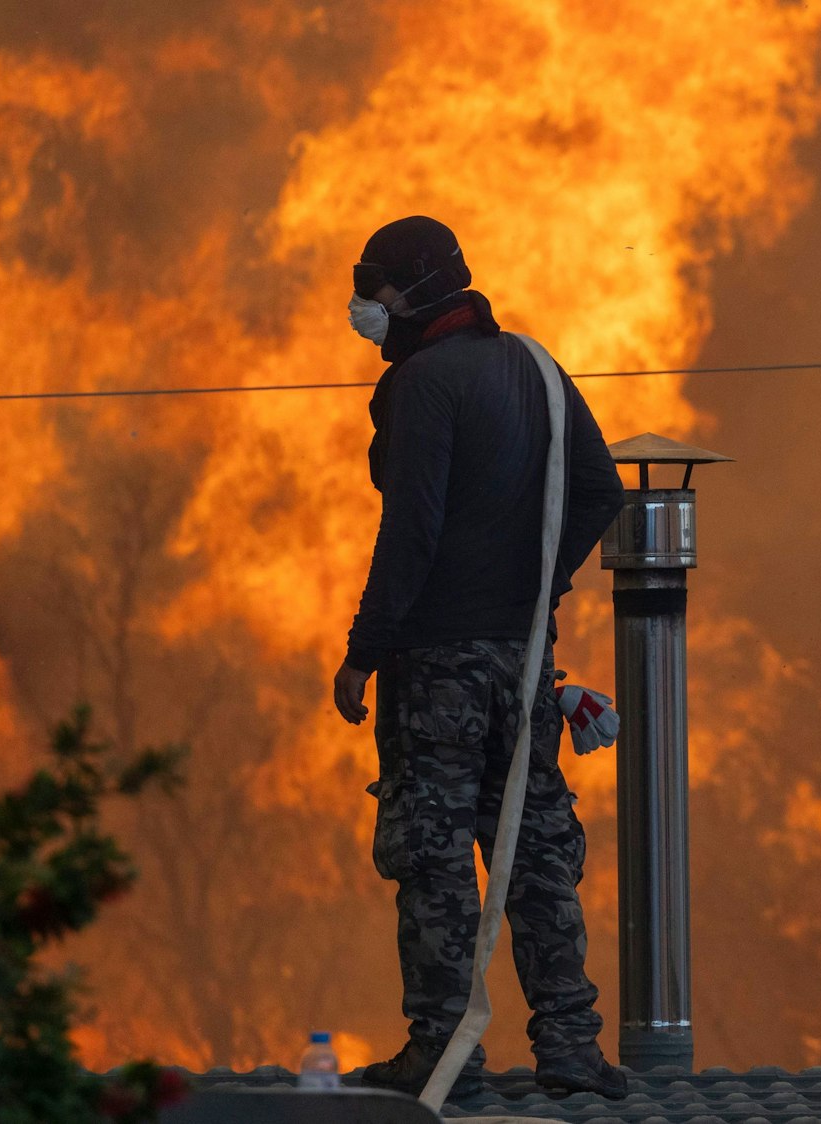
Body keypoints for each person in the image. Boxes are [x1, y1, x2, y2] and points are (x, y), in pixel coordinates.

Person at [329, 216, 628, 1099]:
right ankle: (571, 1049)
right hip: (526, 659)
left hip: (436, 669)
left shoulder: (422, 385)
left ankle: (442, 1051)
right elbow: (601, 491)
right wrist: (538, 590)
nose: (364, 308)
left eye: (374, 289)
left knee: (431, 854)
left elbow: (410, 531)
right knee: (533, 846)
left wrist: (363, 652)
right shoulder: (537, 367)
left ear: (417, 291)